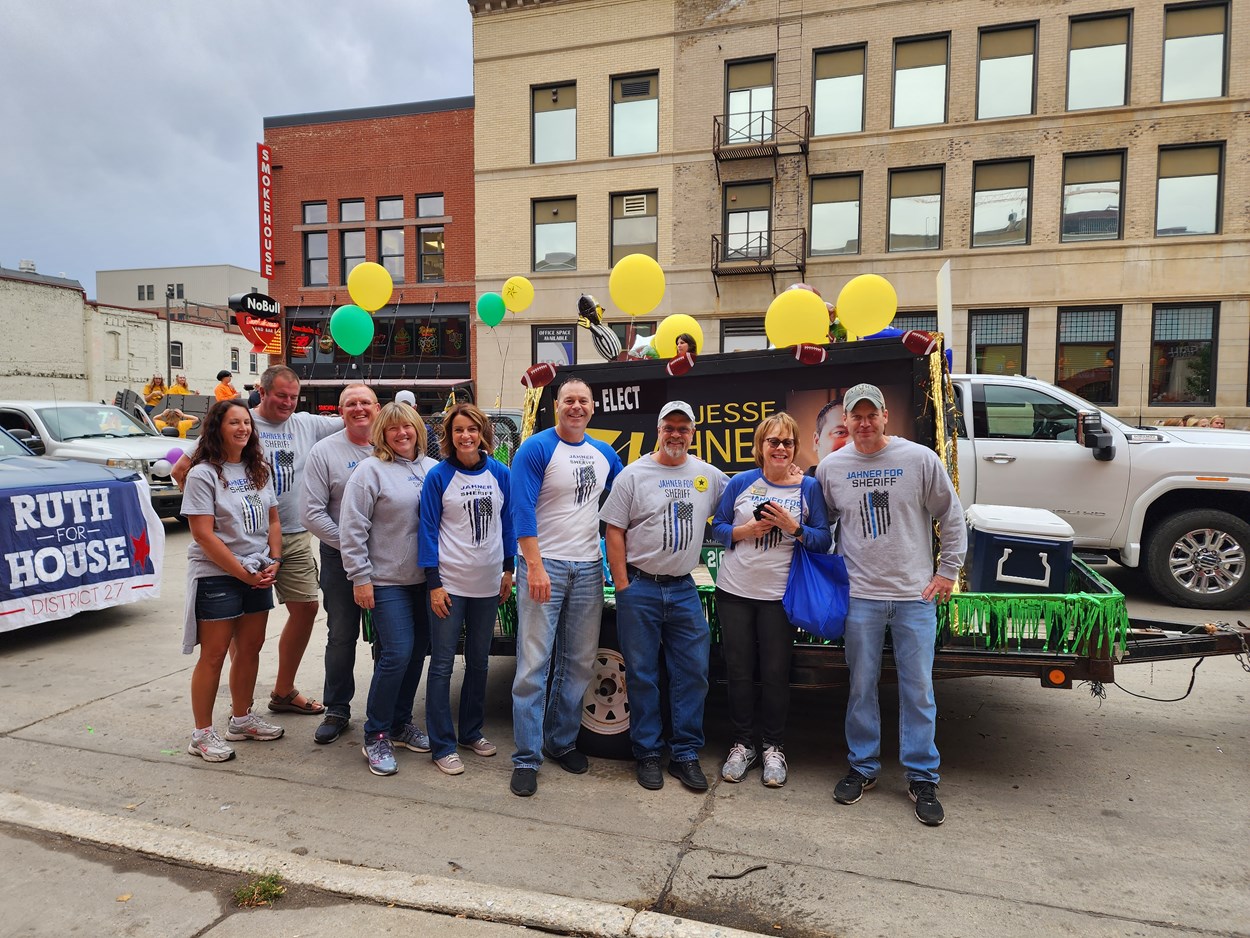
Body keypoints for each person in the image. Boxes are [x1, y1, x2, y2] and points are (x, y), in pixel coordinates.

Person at [816, 383, 966, 827]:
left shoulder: (919, 460)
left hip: (913, 596)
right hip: (859, 597)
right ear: (846, 421)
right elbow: (822, 529)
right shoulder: (831, 468)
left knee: (917, 690)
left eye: (871, 415)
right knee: (861, 686)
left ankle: (922, 777)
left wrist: (947, 572)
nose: (863, 424)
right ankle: (863, 767)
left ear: (885, 417)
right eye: (855, 417)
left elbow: (951, 515)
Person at [175, 365, 343, 715]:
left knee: (305, 608)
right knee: (233, 635)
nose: (287, 403)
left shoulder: (304, 426)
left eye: (294, 397)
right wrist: (216, 516)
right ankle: (239, 711)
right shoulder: (236, 420)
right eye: (280, 395)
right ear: (262, 392)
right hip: (239, 544)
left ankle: (281, 692)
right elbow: (181, 470)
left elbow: (358, 419)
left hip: (289, 535)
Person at [601, 401, 728, 792]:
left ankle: (686, 754)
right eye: (669, 427)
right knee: (641, 675)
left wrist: (788, 475)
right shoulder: (634, 475)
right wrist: (623, 587)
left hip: (683, 587)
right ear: (659, 429)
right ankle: (649, 754)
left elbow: (741, 499)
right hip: (640, 587)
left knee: (693, 673)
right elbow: (614, 530)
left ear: (693, 433)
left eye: (683, 428)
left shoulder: (707, 475)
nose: (676, 434)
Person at [508, 376, 623, 797]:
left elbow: (629, 495)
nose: (576, 407)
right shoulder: (536, 449)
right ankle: (525, 757)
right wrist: (534, 567)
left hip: (589, 569)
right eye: (569, 400)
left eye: (583, 401)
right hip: (545, 566)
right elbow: (521, 510)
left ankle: (560, 742)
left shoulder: (605, 454)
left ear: (593, 408)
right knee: (533, 666)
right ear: (556, 405)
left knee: (577, 663)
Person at [711, 413, 831, 788]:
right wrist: (745, 530)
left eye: (787, 443)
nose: (780, 448)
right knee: (740, 671)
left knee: (776, 674)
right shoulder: (742, 482)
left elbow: (823, 539)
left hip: (780, 597)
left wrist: (791, 527)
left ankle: (773, 747)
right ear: (760, 446)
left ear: (796, 448)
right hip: (734, 591)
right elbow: (717, 527)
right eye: (773, 442)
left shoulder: (807, 488)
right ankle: (743, 744)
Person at [338, 402, 438, 776]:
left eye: (407, 427)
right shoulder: (370, 472)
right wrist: (360, 578)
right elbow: (352, 529)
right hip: (385, 581)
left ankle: (399, 723)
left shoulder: (432, 469)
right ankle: (376, 734)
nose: (401, 434)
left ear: (418, 430)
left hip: (426, 581)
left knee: (417, 653)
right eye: (393, 428)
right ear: (383, 433)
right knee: (396, 652)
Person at [181, 400, 283, 763]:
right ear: (217, 428)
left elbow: (273, 520)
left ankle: (241, 719)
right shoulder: (203, 474)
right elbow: (203, 535)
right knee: (214, 655)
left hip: (257, 570)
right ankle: (202, 734)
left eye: (246, 423)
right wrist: (242, 572)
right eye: (233, 423)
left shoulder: (259, 469)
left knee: (251, 647)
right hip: (218, 575)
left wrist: (274, 559)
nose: (242, 428)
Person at [419, 403, 516, 775]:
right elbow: (427, 531)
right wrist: (434, 584)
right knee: (443, 664)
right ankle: (442, 744)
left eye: (472, 429)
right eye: (458, 430)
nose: (466, 436)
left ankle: (471, 732)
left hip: (488, 584)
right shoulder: (439, 477)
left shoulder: (500, 473)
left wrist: (508, 569)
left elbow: (508, 524)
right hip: (450, 585)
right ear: (449, 435)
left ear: (482, 433)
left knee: (480, 661)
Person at [301, 384, 382, 745]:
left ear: (377, 408)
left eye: (365, 402)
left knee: (392, 638)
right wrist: (352, 546)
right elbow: (312, 513)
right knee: (342, 635)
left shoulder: (394, 444)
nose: (359, 408)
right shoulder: (325, 451)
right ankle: (337, 709)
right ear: (341, 410)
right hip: (340, 559)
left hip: (391, 559)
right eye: (351, 404)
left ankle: (391, 709)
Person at [805, 395, 848, 476]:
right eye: (840, 433)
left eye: (858, 434)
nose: (851, 442)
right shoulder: (800, 487)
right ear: (817, 441)